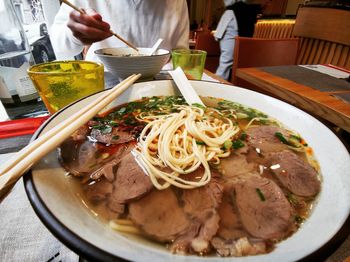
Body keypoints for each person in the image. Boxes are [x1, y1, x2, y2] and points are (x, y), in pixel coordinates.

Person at [50, 0, 189, 61]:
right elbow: (60, 47)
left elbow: (182, 54)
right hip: (101, 86)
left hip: (156, 85)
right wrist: (75, 35)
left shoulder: (176, 1)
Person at [214, 0, 261, 80]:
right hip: (243, 61)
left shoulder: (230, 12)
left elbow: (217, 36)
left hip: (228, 62)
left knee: (225, 62)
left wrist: (217, 36)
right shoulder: (249, 12)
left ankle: (219, 82)